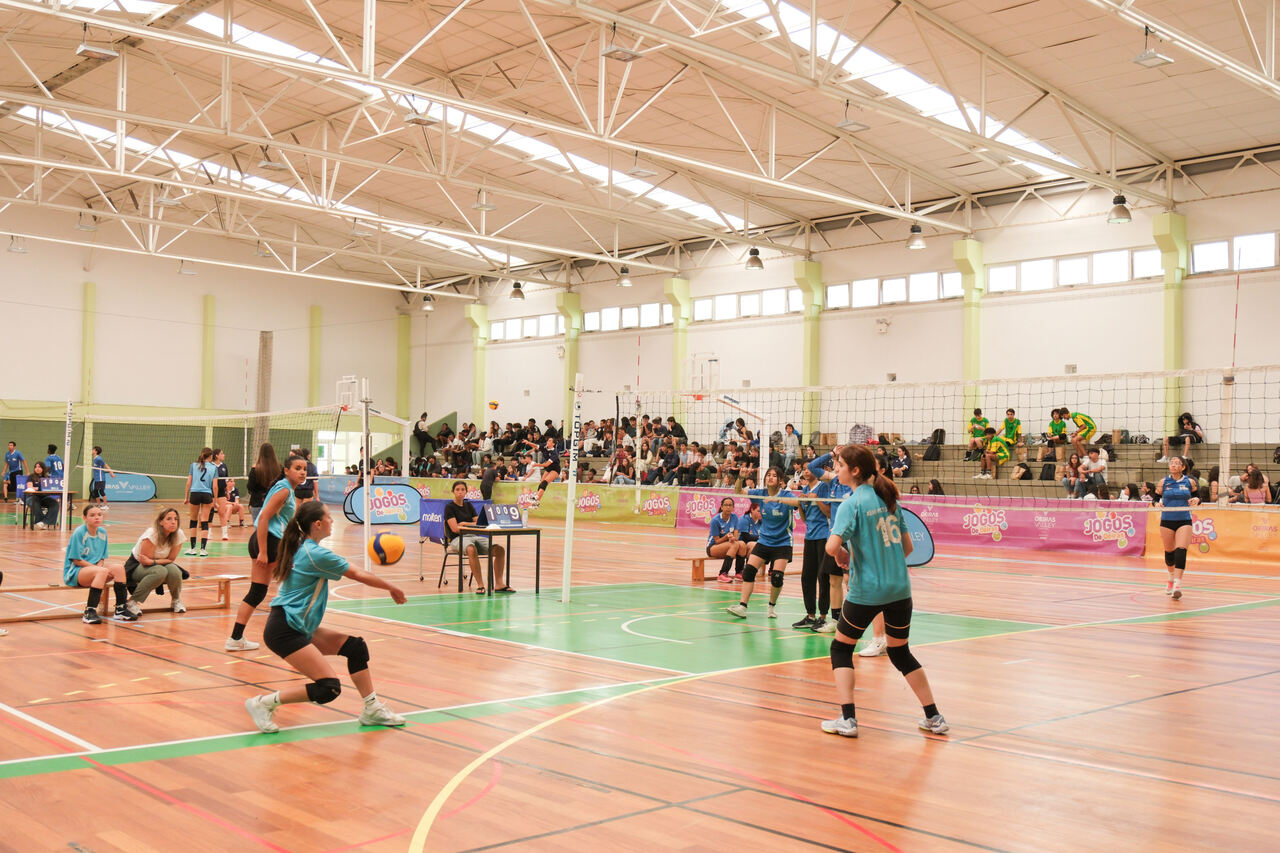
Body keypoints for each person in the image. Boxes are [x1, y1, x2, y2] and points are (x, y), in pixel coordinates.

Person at [244, 501, 408, 733]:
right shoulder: (314, 554)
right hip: (285, 629)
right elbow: (357, 573)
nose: (332, 520)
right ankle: (263, 704)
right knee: (329, 687)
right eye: (329, 517)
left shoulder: (304, 547)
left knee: (355, 648)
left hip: (296, 625)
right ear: (318, 524)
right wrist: (392, 587)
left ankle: (372, 709)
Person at [821, 444, 948, 738]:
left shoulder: (851, 504)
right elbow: (908, 548)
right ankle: (934, 716)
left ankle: (848, 719)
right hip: (900, 590)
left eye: (840, 465)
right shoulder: (888, 499)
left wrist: (843, 553)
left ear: (854, 470)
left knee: (840, 649)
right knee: (900, 652)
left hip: (867, 591)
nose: (836, 469)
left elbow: (831, 547)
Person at [226, 454, 308, 651]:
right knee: (295, 587)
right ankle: (292, 636)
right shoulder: (284, 489)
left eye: (304, 469)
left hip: (263, 540)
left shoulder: (286, 489)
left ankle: (235, 638)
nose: (302, 472)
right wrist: (263, 551)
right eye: (297, 468)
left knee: (257, 592)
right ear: (286, 471)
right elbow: (263, 518)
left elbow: (281, 520)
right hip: (269, 542)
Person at [725, 467, 799, 620]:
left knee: (777, 577)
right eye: (768, 475)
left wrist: (777, 499)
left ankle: (771, 606)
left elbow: (797, 503)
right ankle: (742, 607)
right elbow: (738, 492)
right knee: (748, 572)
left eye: (774, 476)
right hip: (764, 540)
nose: (770, 478)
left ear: (780, 480)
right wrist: (740, 477)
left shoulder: (786, 494)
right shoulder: (760, 493)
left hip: (783, 542)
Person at [65, 505, 137, 624]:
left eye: (99, 515)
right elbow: (76, 560)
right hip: (76, 572)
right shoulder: (79, 532)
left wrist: (98, 568)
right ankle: (89, 612)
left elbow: (101, 558)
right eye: (92, 515)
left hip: (96, 572)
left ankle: (120, 609)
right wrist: (97, 569)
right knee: (102, 571)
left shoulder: (102, 533)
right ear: (85, 518)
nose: (97, 517)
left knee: (119, 568)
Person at [444, 480, 512, 593]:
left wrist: (465, 524)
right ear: (453, 492)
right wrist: (468, 525)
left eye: (462, 490)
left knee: (500, 550)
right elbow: (455, 529)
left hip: (474, 536)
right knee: (471, 549)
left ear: (466, 492)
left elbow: (478, 524)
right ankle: (480, 585)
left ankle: (499, 584)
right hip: (457, 539)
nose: (460, 492)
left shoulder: (468, 505)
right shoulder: (449, 507)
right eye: (457, 490)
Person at [793, 469, 839, 629]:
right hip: (809, 536)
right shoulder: (805, 489)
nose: (806, 471)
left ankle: (823, 616)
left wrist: (817, 500)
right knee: (807, 577)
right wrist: (800, 505)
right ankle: (810, 615)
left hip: (823, 536)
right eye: (804, 469)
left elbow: (829, 513)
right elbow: (804, 518)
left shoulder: (823, 487)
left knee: (823, 577)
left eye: (809, 468)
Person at [125, 507, 188, 613]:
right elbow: (145, 560)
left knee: (175, 571)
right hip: (136, 566)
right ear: (160, 522)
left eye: (176, 519)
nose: (173, 522)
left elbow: (171, 559)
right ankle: (132, 602)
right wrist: (154, 562)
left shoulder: (179, 534)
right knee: (160, 571)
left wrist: (154, 562)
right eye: (169, 519)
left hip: (158, 563)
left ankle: (176, 600)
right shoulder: (152, 534)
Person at [1156, 456, 1199, 600]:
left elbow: (1198, 496)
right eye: (1171, 463)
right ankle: (1170, 578)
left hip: (1184, 519)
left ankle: (1177, 585)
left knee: (1181, 550)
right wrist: (1156, 503)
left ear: (1183, 467)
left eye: (1177, 463)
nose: (1173, 465)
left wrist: (1197, 499)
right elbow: (1155, 498)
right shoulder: (1163, 482)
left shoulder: (1189, 482)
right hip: (1167, 520)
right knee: (1169, 552)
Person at [184, 447, 217, 556]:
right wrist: (215, 500)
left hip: (195, 493)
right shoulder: (214, 467)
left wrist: (186, 497)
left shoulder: (194, 465)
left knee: (193, 520)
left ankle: (193, 548)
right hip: (207, 494)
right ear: (211, 456)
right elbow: (215, 486)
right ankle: (203, 549)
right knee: (204, 521)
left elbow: (188, 482)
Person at [708, 497, 748, 584]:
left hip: (728, 545)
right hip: (713, 547)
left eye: (730, 505)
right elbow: (717, 541)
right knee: (734, 545)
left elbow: (736, 537)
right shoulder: (715, 520)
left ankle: (739, 573)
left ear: (733, 507)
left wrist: (733, 538)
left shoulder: (734, 517)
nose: (728, 507)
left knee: (742, 544)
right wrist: (726, 537)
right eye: (726, 505)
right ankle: (722, 573)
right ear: (722, 507)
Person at [247, 443, 282, 525]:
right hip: (274, 502)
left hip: (258, 502)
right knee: (273, 527)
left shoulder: (255, 469)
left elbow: (250, 487)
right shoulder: (279, 468)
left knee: (258, 528)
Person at [24, 461, 59, 530]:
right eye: (36, 467)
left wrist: (43, 488)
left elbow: (50, 488)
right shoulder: (31, 476)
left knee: (55, 503)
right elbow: (30, 487)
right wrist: (40, 488)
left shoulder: (47, 477)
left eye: (39, 467)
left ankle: (43, 522)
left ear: (43, 468)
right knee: (35, 504)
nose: (37, 468)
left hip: (44, 497)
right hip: (32, 497)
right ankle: (42, 522)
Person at [733, 502, 762, 581]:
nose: (761, 513)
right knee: (753, 545)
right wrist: (759, 537)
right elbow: (746, 537)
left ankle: (771, 570)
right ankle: (742, 572)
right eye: (758, 511)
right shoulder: (744, 519)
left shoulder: (761, 521)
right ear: (752, 510)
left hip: (753, 543)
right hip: (741, 543)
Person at [529, 437, 561, 504]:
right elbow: (536, 446)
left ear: (553, 444)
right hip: (549, 468)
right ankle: (536, 503)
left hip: (555, 469)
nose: (547, 442)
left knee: (545, 482)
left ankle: (536, 498)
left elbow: (546, 464)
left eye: (550, 441)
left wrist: (536, 465)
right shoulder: (545, 446)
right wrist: (528, 442)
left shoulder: (554, 453)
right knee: (541, 483)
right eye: (548, 440)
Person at [212, 448, 233, 540]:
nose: (223, 455)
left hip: (221, 492)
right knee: (210, 513)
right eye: (222, 453)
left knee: (222, 513)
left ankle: (224, 534)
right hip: (211, 492)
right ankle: (208, 533)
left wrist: (227, 491)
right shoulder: (210, 466)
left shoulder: (224, 466)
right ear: (216, 455)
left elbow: (226, 480)